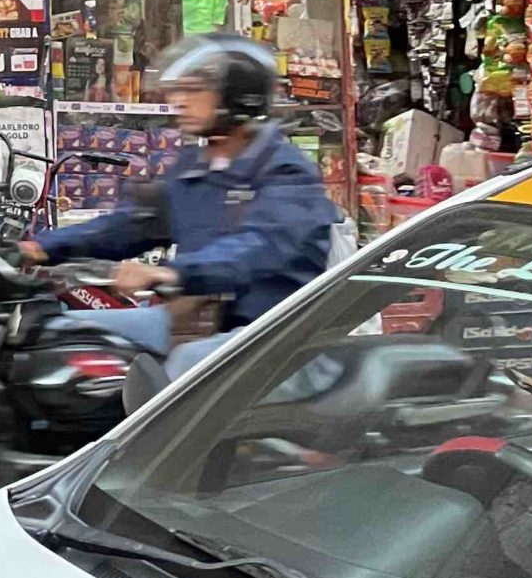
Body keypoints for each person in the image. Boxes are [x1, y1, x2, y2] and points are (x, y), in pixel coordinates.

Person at [23, 34, 341, 378]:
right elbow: (133, 224)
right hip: (193, 321)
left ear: (238, 95)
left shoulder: (286, 172)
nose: (179, 101)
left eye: (194, 90)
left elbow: (258, 247)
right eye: (178, 90)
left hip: (276, 337)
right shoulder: (196, 167)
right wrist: (40, 248)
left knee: (187, 365)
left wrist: (173, 273)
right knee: (57, 336)